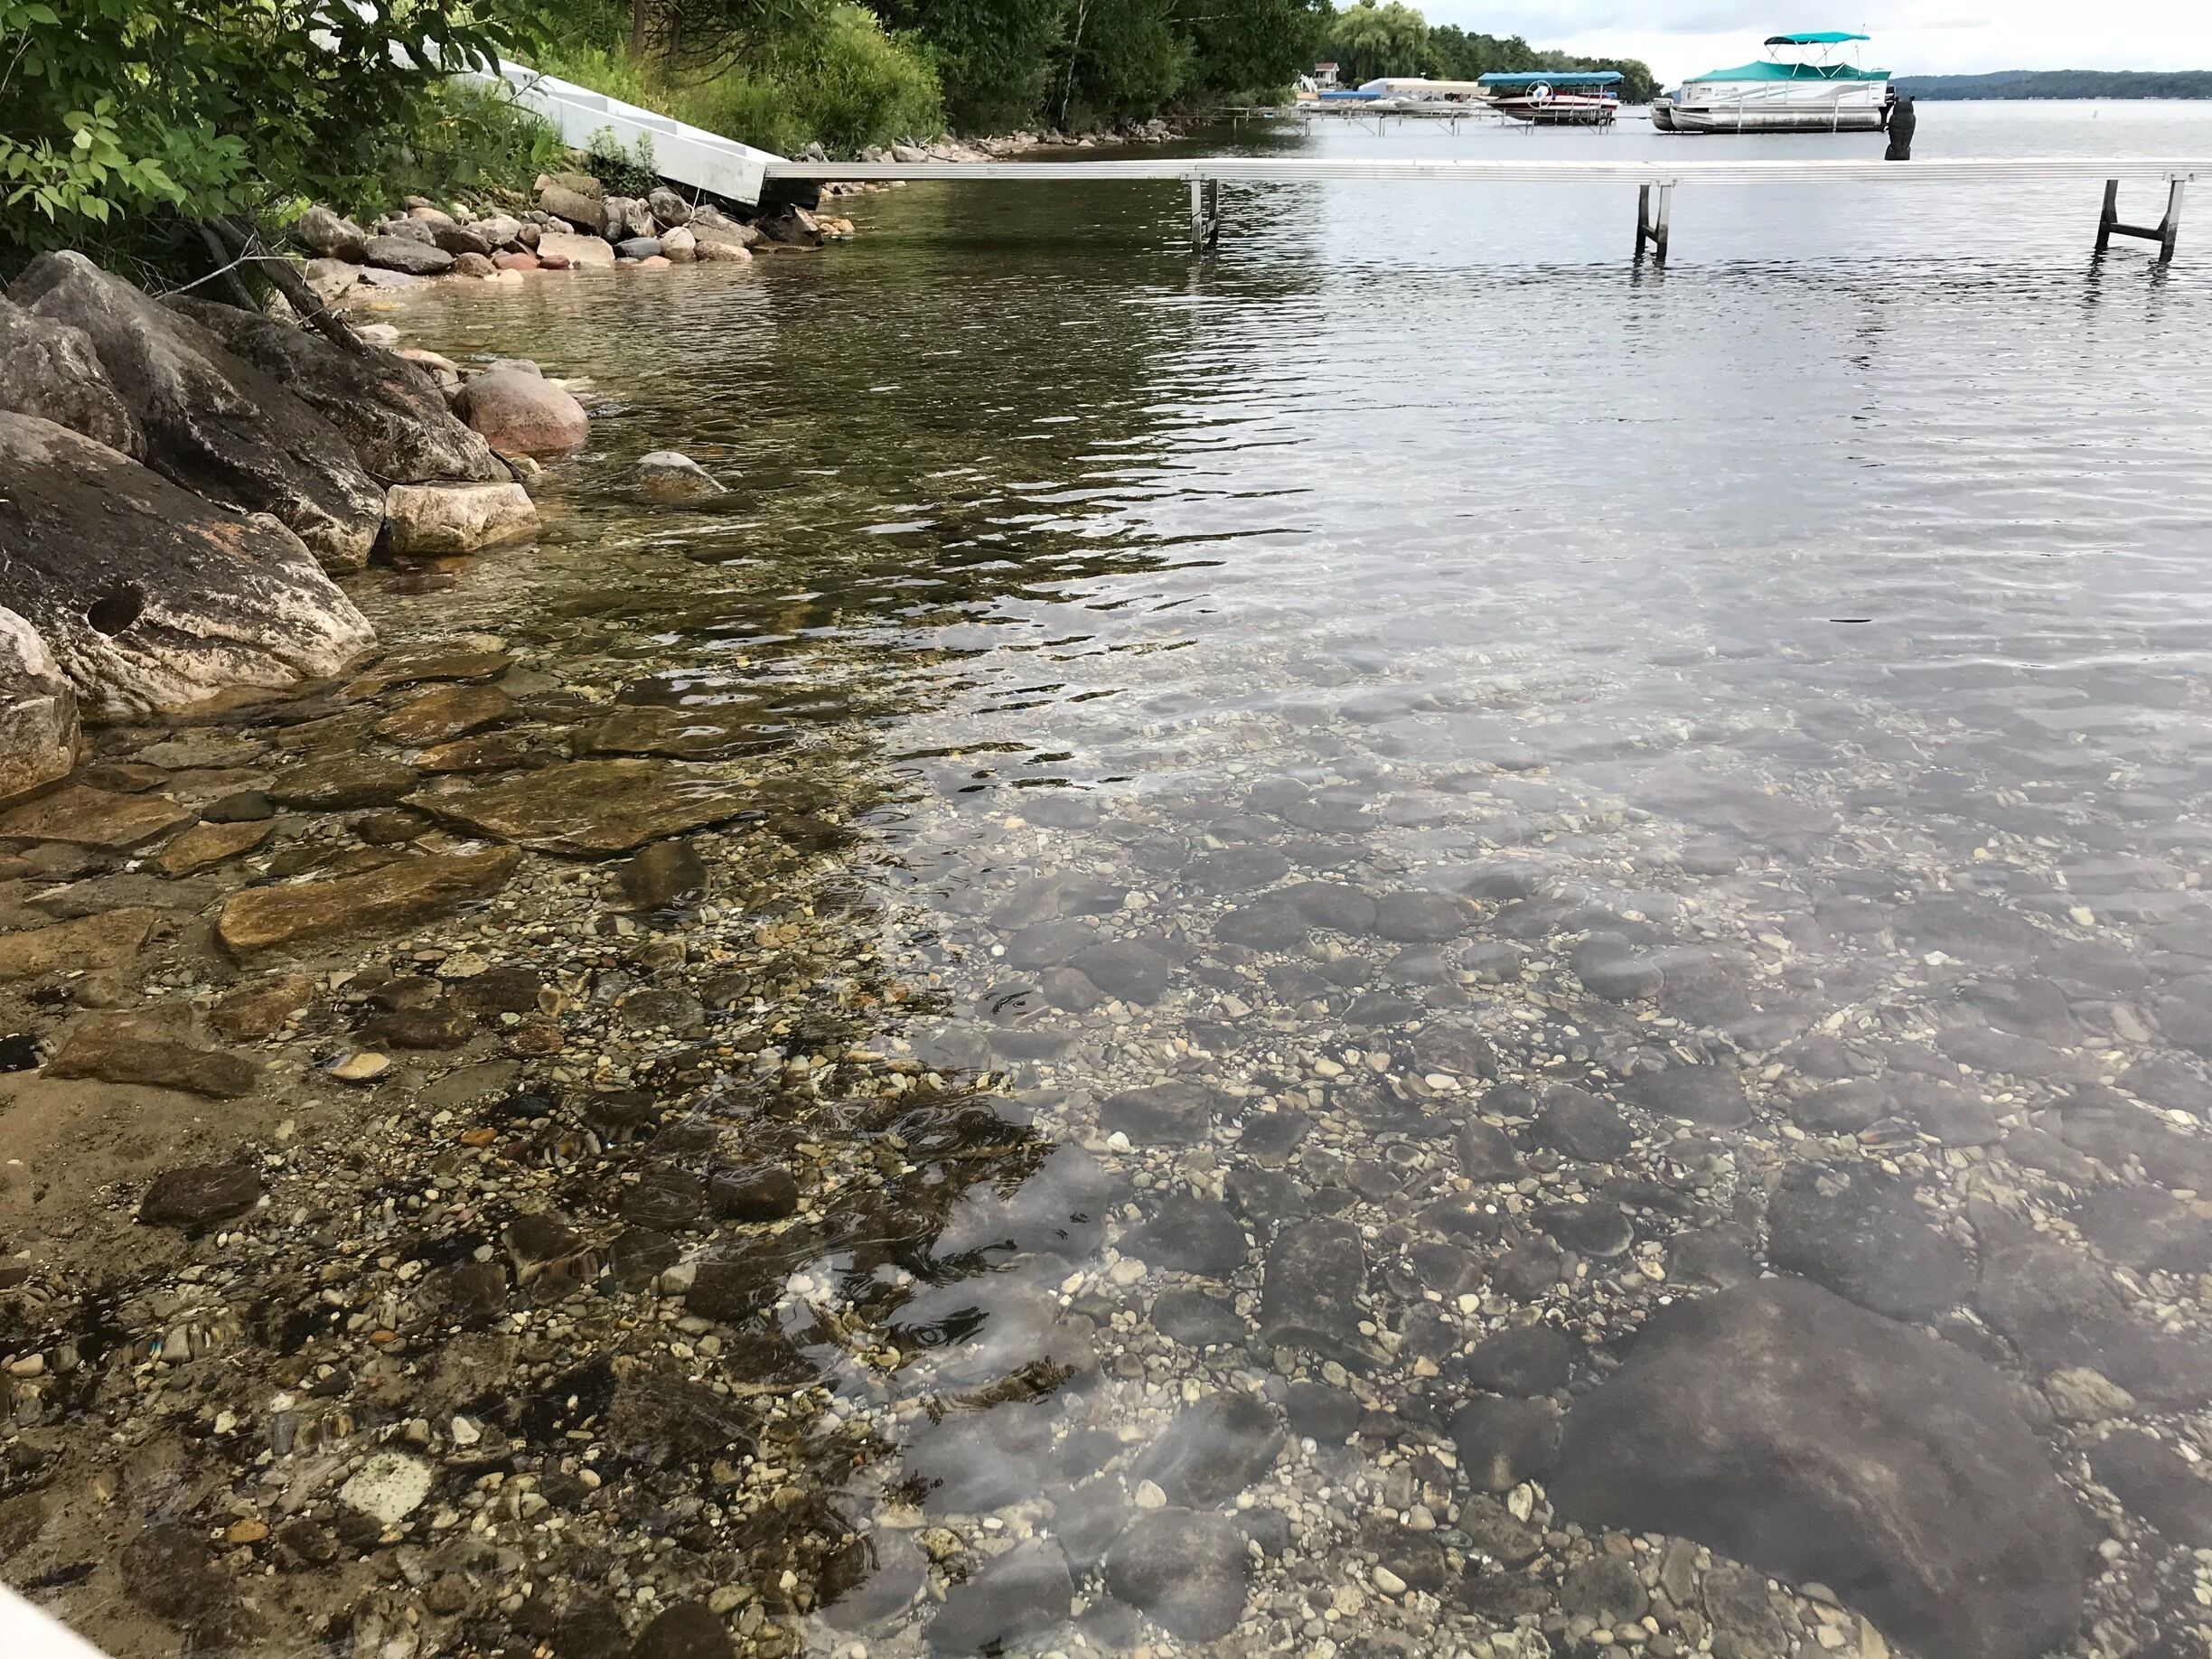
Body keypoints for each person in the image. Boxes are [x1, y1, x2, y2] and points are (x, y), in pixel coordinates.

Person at [1885, 90, 1916, 161]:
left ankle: (1897, 151)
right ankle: (1902, 151)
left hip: (1895, 147)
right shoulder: (1912, 118)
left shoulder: (1894, 117)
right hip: (1905, 148)